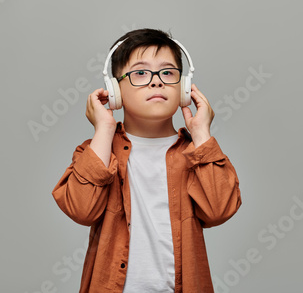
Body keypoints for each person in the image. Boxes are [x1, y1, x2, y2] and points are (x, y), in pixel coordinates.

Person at [52, 28, 242, 293]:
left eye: (167, 72)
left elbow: (219, 210)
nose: (156, 82)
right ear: (114, 91)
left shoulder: (198, 154)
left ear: (184, 88)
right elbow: (81, 210)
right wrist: (103, 130)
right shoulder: (97, 151)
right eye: (140, 73)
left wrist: (202, 134)